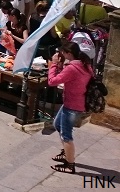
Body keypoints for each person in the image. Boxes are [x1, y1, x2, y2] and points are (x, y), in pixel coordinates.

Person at [48, 41, 94, 174]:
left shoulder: (72, 68)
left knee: (66, 135)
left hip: (72, 105)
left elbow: (52, 81)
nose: (61, 54)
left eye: (63, 52)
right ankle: (66, 153)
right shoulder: (85, 64)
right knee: (58, 125)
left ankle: (70, 165)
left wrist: (54, 64)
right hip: (76, 102)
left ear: (68, 53)